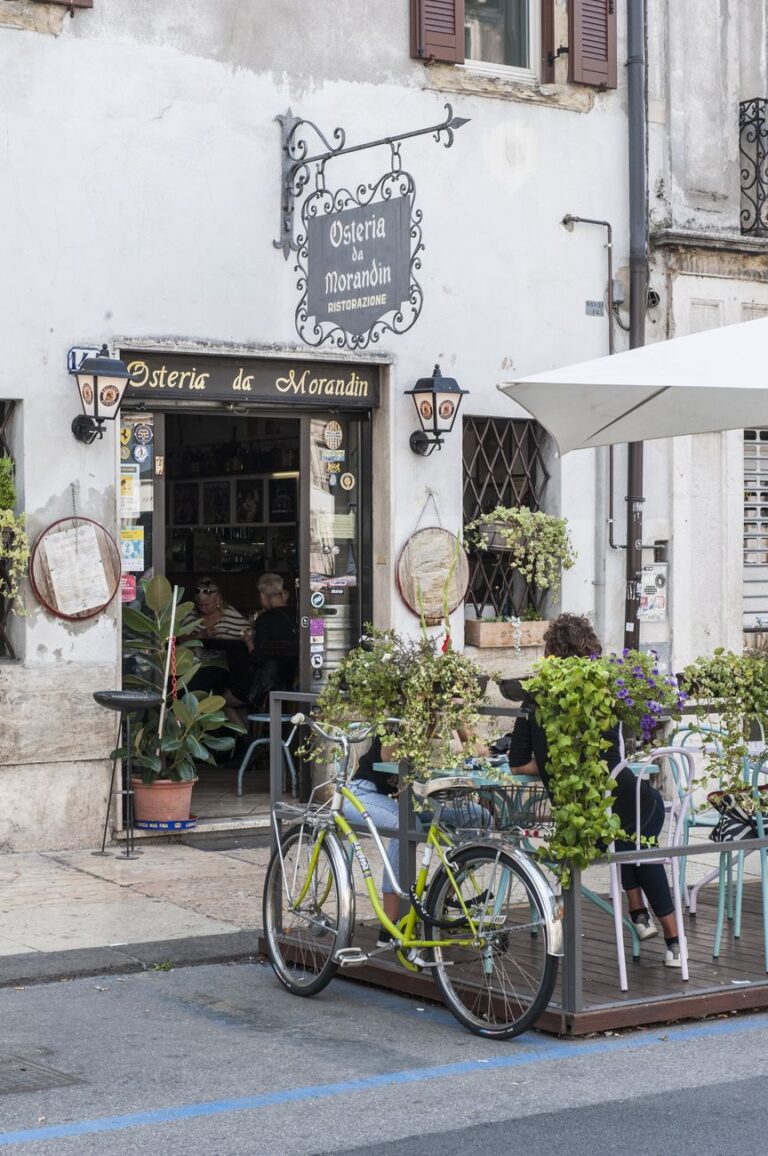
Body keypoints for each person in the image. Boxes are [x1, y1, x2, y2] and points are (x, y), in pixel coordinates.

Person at [504, 611, 682, 968]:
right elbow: (611, 753)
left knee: (629, 845)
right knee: (635, 846)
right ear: (589, 650)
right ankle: (672, 941)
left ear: (550, 654)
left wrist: (553, 758)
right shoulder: (604, 689)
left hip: (585, 819)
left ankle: (643, 919)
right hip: (629, 798)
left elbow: (518, 763)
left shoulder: (536, 697)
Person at [187, 577, 249, 702]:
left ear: (218, 599)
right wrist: (201, 634)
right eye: (200, 605)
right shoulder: (191, 615)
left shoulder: (230, 615)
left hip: (221, 664)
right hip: (190, 664)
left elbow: (246, 633)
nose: (203, 609)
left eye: (207, 604)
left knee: (197, 684)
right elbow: (179, 639)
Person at [240, 573, 299, 705]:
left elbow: (258, 659)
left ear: (262, 595)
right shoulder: (299, 614)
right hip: (293, 682)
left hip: (269, 687)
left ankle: (244, 725)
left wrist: (248, 642)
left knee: (226, 699)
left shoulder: (265, 619)